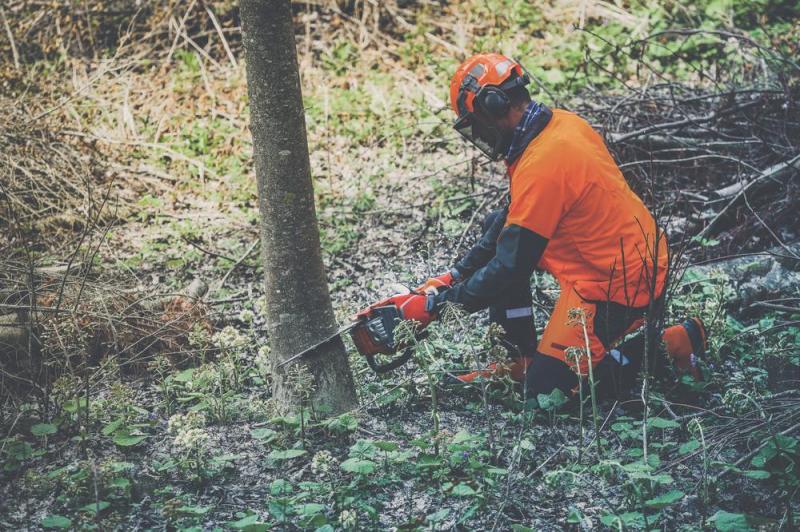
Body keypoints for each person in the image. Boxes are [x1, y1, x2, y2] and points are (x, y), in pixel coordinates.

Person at [360, 53, 706, 399]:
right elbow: (507, 224)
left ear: (493, 107)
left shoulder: (544, 163)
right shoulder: (558, 126)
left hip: (619, 285)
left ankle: (672, 344)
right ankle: (518, 358)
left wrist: (437, 309)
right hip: (602, 267)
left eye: (475, 122)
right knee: (495, 224)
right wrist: (451, 278)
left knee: (549, 394)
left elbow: (511, 266)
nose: (477, 133)